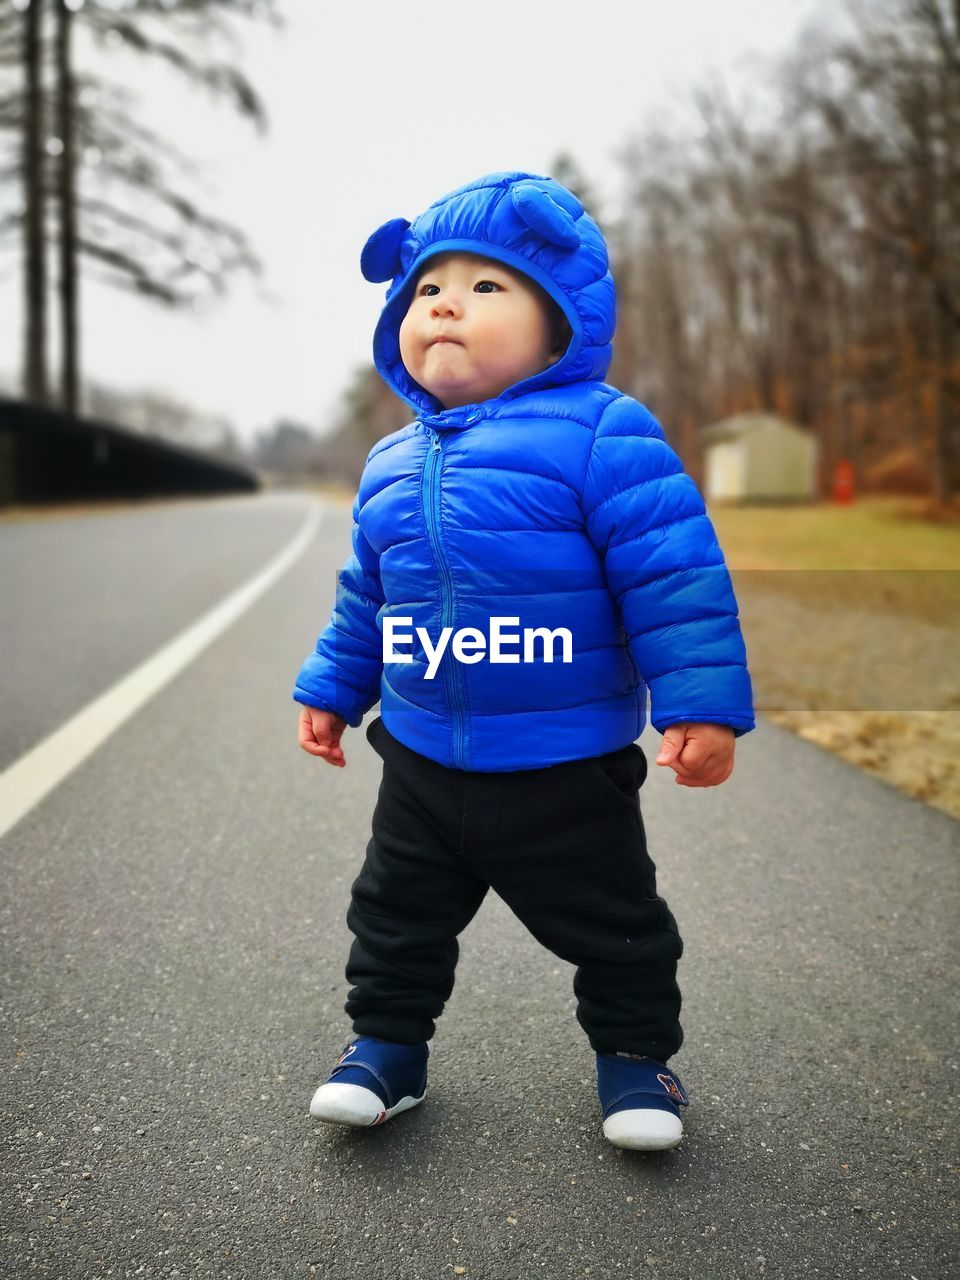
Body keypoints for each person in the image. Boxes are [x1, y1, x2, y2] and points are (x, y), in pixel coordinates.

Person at [292, 171, 755, 1151]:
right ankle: (386, 1050)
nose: (446, 302)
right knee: (393, 913)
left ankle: (637, 1060)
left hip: (564, 759)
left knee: (616, 921)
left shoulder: (602, 433)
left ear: (560, 325)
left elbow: (674, 576)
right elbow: (367, 594)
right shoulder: (387, 460)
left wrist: (700, 706)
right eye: (426, 289)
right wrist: (331, 687)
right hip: (419, 755)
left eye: (487, 286)